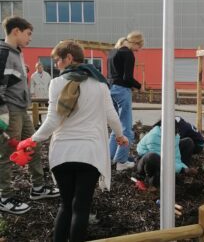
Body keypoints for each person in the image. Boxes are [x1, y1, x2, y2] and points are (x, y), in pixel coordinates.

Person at [19, 40, 129, 241]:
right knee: (81, 207)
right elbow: (112, 114)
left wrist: (33, 140)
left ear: (69, 58)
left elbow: (53, 120)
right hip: (91, 153)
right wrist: (120, 136)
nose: (56, 64)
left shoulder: (56, 83)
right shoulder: (100, 83)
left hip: (62, 153)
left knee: (65, 204)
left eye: (58, 60)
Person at [0, 16, 59, 215]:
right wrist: (3, 116)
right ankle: (5, 197)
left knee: (34, 144)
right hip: (10, 112)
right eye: (28, 34)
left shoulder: (16, 53)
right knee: (6, 155)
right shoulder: (4, 54)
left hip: (21, 110)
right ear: (16, 31)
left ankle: (38, 187)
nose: (30, 38)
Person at [108, 32, 143, 171]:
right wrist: (139, 86)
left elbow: (114, 76)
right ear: (135, 43)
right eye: (140, 46)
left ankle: (110, 158)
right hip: (122, 91)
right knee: (126, 129)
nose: (139, 50)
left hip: (111, 90)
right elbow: (127, 77)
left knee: (115, 127)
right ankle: (121, 161)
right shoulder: (128, 54)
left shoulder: (113, 52)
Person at [134, 120, 197, 189]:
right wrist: (182, 169)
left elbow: (175, 156)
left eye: (176, 130)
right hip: (145, 163)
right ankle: (149, 179)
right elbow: (162, 160)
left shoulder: (174, 135)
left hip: (162, 159)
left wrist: (184, 167)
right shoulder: (154, 137)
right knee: (152, 157)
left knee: (188, 142)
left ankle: (182, 174)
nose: (177, 133)